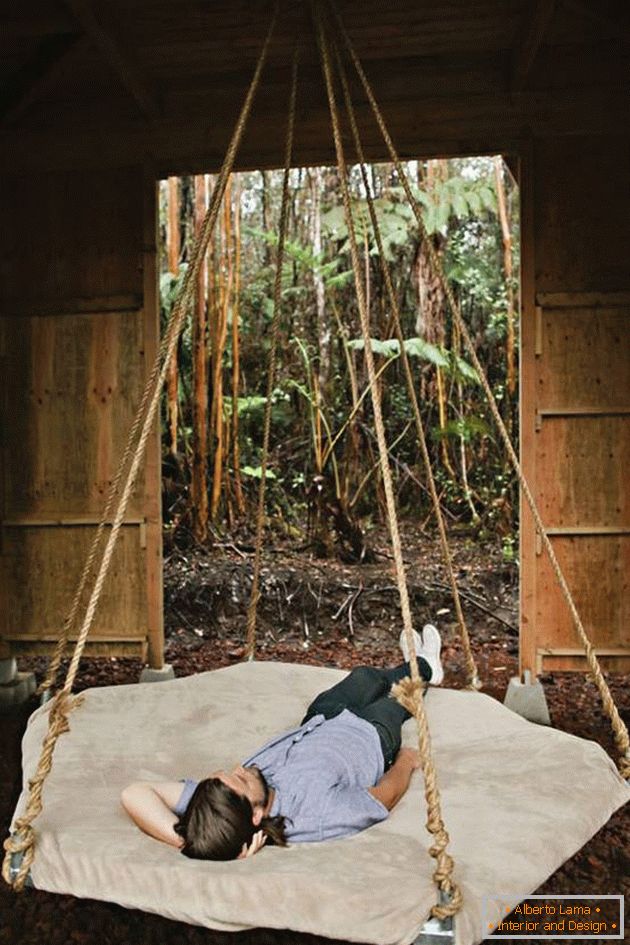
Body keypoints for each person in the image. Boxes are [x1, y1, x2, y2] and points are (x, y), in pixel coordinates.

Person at [121, 624, 443, 861]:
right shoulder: (313, 815)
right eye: (240, 780)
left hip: (321, 721)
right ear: (256, 816)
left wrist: (189, 843)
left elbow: (133, 794)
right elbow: (381, 799)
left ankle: (408, 662)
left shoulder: (217, 807)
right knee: (401, 696)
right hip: (370, 737)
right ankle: (428, 665)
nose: (241, 768)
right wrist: (405, 762)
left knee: (365, 678)